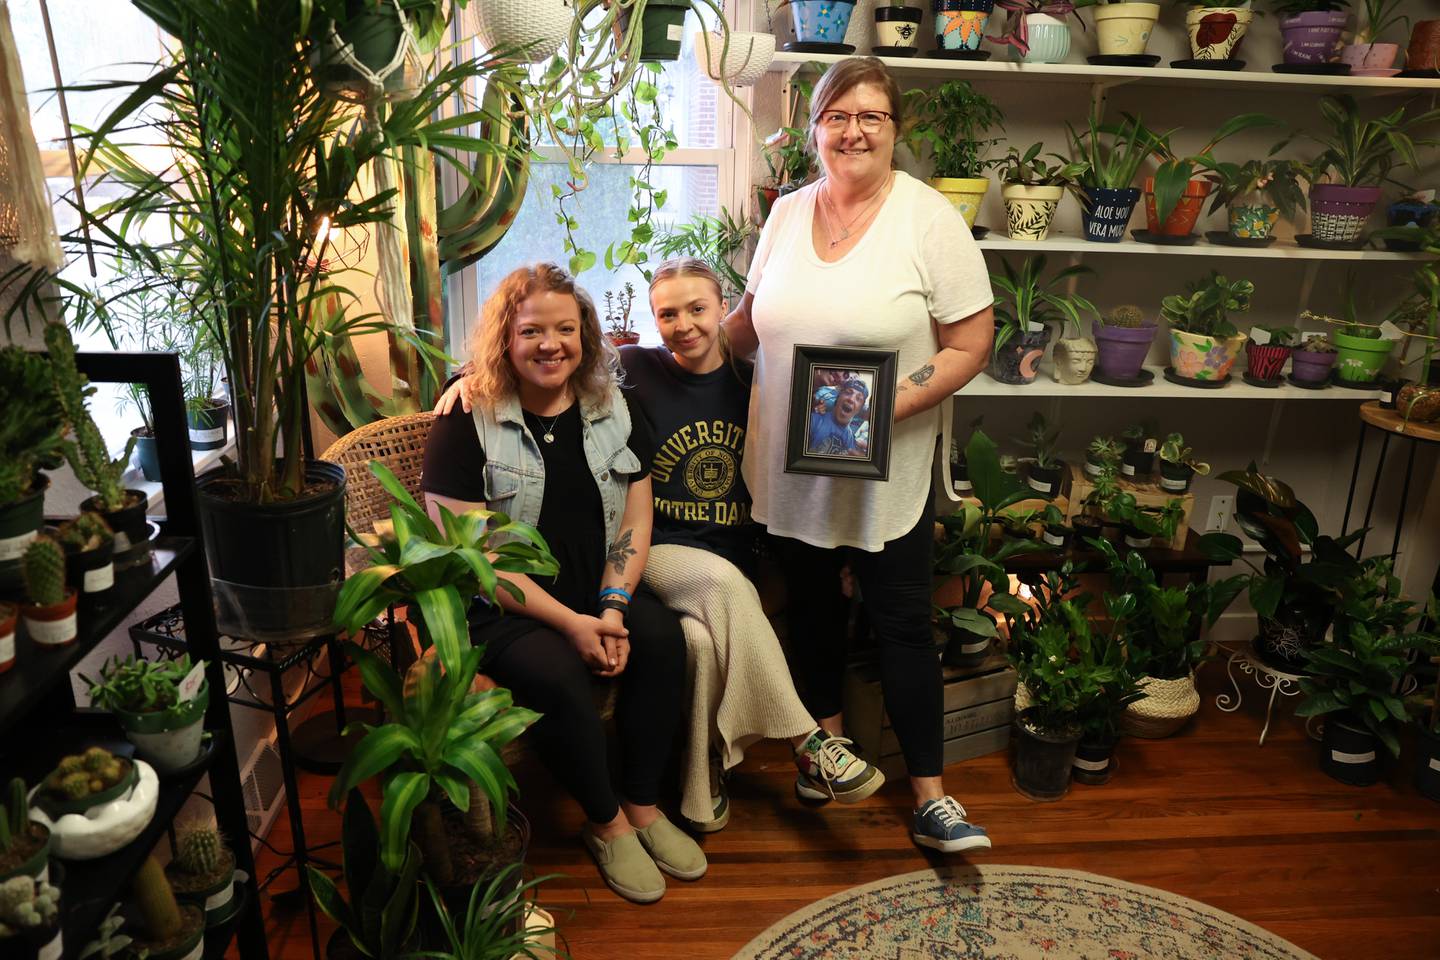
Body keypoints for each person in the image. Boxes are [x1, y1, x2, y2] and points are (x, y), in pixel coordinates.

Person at [436, 258, 886, 833]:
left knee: (694, 639)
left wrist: (845, 546)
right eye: (667, 314)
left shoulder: (761, 381)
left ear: (726, 307)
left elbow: (825, 453)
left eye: (697, 308)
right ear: (652, 322)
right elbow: (541, 352)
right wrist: (467, 377)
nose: (683, 324)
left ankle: (702, 781)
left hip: (727, 554)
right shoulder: (634, 371)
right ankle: (808, 739)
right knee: (722, 586)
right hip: (658, 556)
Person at [723, 57, 998, 853]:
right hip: (788, 463)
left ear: (895, 129)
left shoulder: (928, 220)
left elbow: (971, 342)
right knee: (810, 613)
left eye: (870, 116)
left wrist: (883, 409)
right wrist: (671, 342)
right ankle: (827, 753)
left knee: (903, 624)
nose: (853, 131)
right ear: (813, 133)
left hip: (885, 469)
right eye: (837, 117)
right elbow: (748, 322)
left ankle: (933, 799)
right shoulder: (784, 215)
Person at [419, 262, 703, 904]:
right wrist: (574, 625)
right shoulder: (465, 419)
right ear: (505, 340)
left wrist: (611, 603)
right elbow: (475, 559)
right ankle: (605, 824)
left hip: (597, 587)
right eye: (531, 331)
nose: (551, 344)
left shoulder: (613, 407)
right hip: (504, 606)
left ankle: (641, 803)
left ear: (586, 335)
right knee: (556, 673)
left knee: (661, 639)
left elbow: (635, 513)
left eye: (566, 329)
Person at [807, 376, 868, 457]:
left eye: (858, 398)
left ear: (859, 409)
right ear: (838, 396)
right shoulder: (813, 421)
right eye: (848, 392)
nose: (851, 399)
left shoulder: (852, 443)